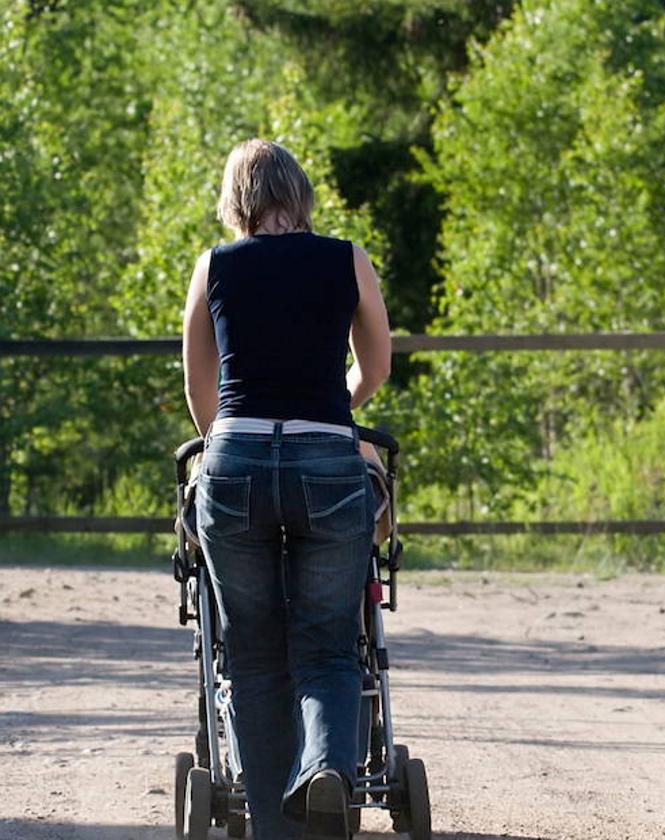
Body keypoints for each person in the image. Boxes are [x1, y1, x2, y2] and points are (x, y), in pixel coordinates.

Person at [183, 139, 392, 840]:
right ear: (299, 194)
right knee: (329, 643)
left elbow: (199, 391)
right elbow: (377, 364)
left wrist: (230, 443)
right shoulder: (347, 259)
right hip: (328, 460)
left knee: (251, 650)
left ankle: (275, 825)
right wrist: (333, 403)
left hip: (236, 459)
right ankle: (329, 765)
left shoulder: (214, 266)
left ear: (236, 199)